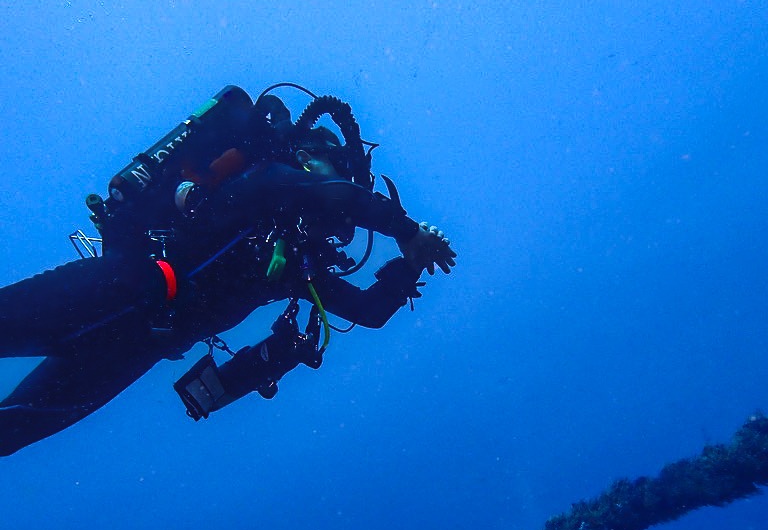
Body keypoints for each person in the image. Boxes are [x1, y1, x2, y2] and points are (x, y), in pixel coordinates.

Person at [0, 85, 455, 456]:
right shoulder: (265, 180)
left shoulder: (295, 264)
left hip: (137, 349)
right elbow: (325, 193)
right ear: (305, 156)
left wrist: (409, 267)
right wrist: (406, 229)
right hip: (118, 285)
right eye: (334, 170)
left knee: (10, 432)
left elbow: (368, 311)